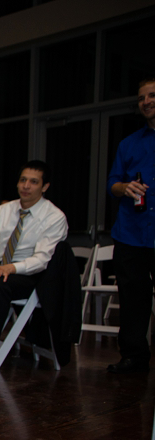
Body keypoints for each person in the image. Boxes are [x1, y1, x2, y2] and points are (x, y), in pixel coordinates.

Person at [0, 160, 68, 376]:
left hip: (31, 275)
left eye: (34, 182)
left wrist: (11, 269)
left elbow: (42, 260)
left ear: (44, 187)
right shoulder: (4, 211)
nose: (26, 186)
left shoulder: (54, 217)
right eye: (23, 180)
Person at [104, 77, 155, 374]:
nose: (146, 102)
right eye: (141, 98)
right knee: (133, 300)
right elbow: (112, 183)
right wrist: (124, 188)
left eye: (151, 96)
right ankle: (134, 358)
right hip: (130, 234)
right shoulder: (128, 144)